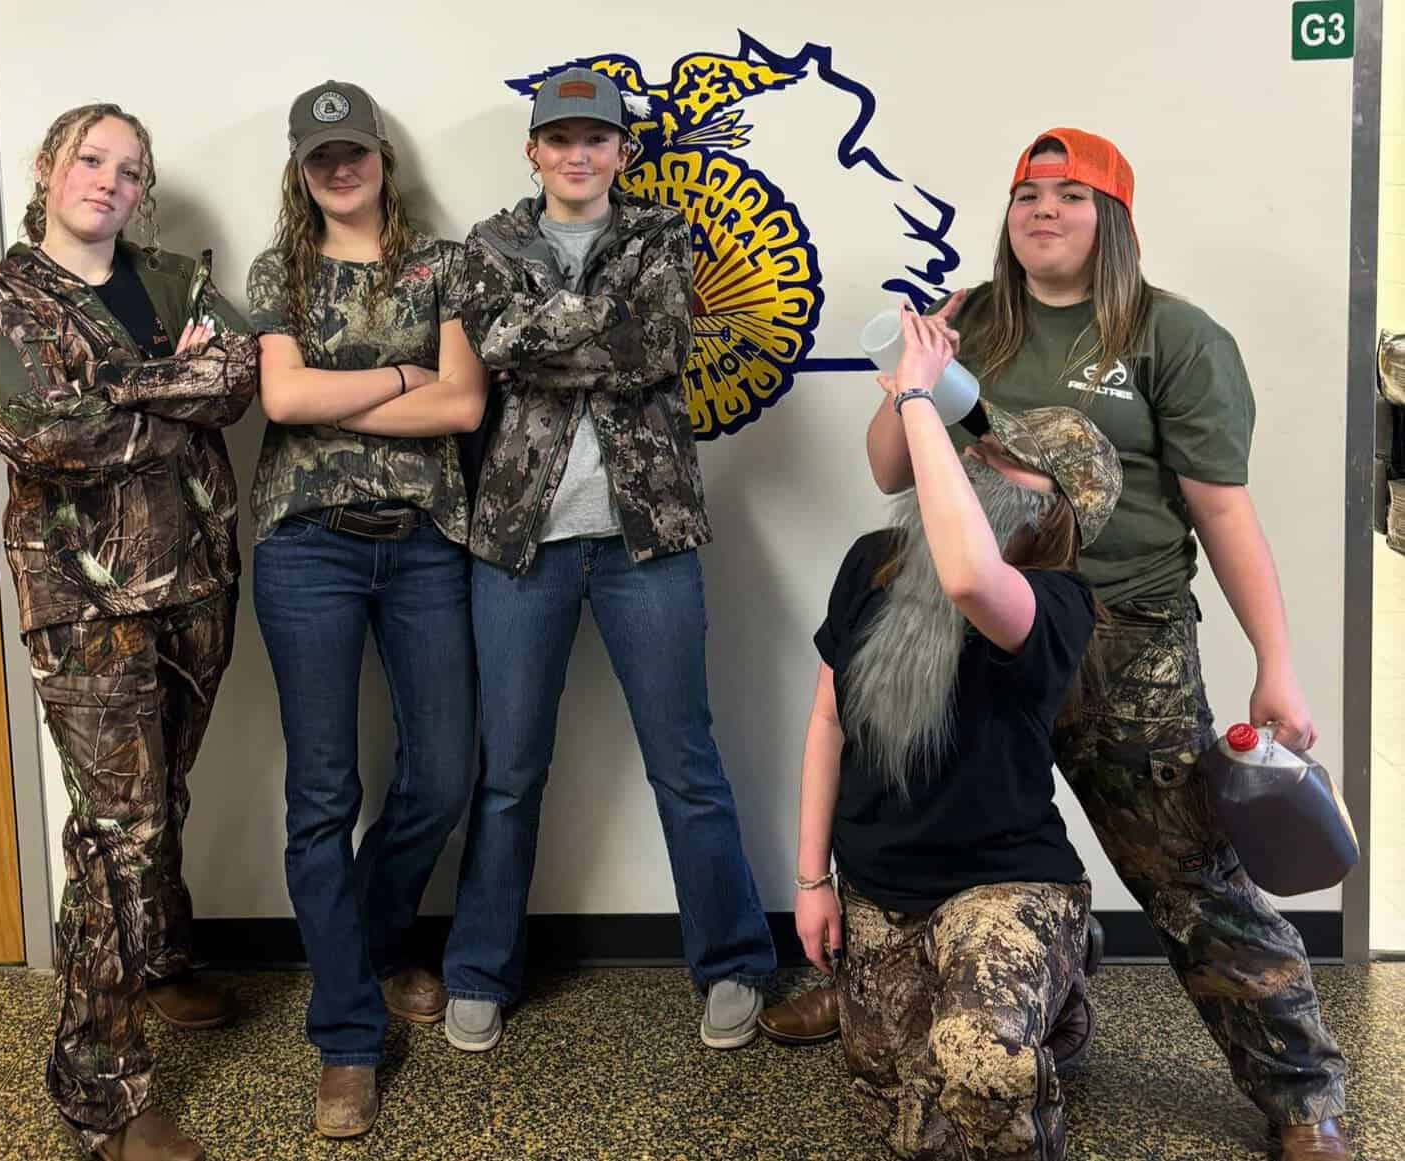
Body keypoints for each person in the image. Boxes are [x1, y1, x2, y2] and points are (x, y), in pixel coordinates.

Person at [861, 128, 1350, 1161]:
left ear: (1112, 218)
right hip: (980, 629)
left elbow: (1222, 511)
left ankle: (1302, 1097)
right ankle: (928, 1002)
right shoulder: (973, 322)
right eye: (1027, 194)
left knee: (1188, 877)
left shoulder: (1174, 336)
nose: (1044, 209)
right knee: (939, 839)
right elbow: (891, 473)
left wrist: (1276, 662)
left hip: (1124, 638)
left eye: (1071, 195)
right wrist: (911, 374)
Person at [439, 67, 777, 1053]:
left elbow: (656, 348)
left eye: (595, 139)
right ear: (533, 152)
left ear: (622, 152)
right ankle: (478, 968)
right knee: (508, 772)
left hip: (647, 542)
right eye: (560, 139)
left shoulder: (663, 234)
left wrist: (541, 330)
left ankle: (731, 961)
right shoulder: (489, 244)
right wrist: (592, 320)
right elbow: (493, 345)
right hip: (519, 546)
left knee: (686, 763)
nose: (577, 154)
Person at [0, 103, 257, 1161]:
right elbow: (46, 431)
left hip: (197, 582)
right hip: (87, 608)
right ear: (49, 168)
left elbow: (239, 376)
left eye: (130, 170)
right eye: (91, 159)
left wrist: (118, 386)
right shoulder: (2, 302)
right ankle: (104, 1093)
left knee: (156, 804)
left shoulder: (171, 277)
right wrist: (168, 383)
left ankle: (160, 968)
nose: (109, 181)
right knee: (118, 833)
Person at [797, 306, 1122, 1159]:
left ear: (1056, 511)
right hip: (881, 884)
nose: (979, 453)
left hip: (1002, 882)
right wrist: (811, 878)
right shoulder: (871, 561)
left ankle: (1044, 975)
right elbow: (827, 719)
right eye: (982, 444)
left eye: (1012, 460)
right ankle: (1045, 1008)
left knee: (978, 1064)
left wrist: (915, 398)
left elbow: (970, 574)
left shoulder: (1054, 604)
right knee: (905, 1105)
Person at [244, 81, 487, 1139]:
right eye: (320, 157)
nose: (339, 169)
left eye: (354, 151)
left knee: (443, 772)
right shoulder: (278, 272)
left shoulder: (444, 265)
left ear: (382, 157)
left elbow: (463, 403)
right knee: (321, 795)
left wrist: (341, 399)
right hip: (307, 549)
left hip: (426, 544)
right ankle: (345, 1034)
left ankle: (377, 943)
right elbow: (282, 399)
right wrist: (398, 374)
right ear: (301, 172)